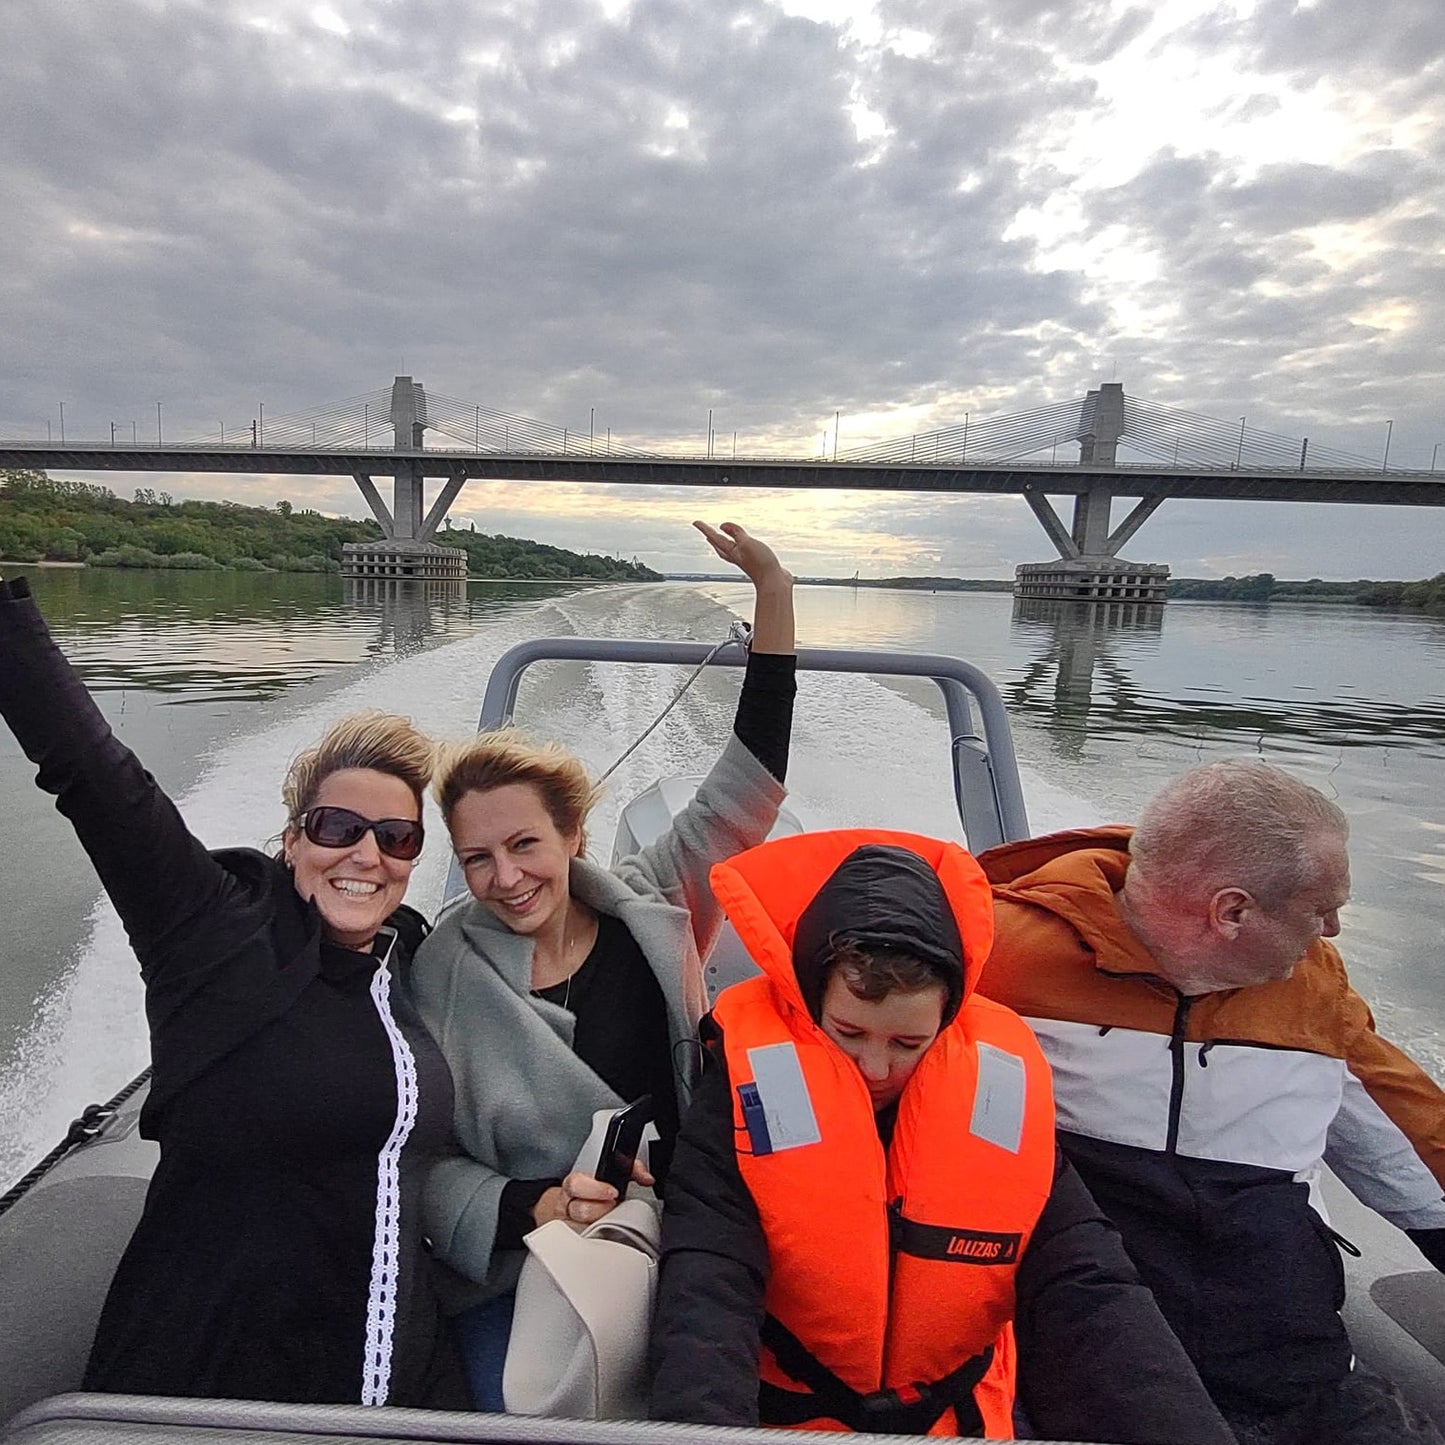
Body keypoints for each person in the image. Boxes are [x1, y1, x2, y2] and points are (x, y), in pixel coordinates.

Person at [0, 569, 465, 1408]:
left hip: (409, 1378)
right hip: (225, 1376)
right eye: (338, 827)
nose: (367, 853)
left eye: (395, 836)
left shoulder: (406, 964)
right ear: (293, 842)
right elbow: (93, 775)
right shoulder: (213, 937)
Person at [649, 829, 1235, 1445]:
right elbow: (708, 1282)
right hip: (788, 1421)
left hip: (958, 1423)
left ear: (947, 1020)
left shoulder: (998, 1093)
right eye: (849, 1033)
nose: (875, 1068)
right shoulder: (744, 1091)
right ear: (811, 1001)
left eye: (907, 1043)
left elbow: (1088, 1282)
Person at [408, 520, 796, 1410]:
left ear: (574, 832)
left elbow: (748, 785)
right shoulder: (438, 971)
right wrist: (530, 1205)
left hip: (686, 1227)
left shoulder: (653, 902)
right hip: (526, 1264)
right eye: (476, 858)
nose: (505, 878)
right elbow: (418, 1162)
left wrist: (772, 595)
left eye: (524, 844)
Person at [978, 760, 1445, 1445]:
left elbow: (1415, 1150)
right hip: (1082, 1365)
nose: (1334, 930)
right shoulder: (997, 959)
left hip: (1292, 1370)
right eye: (1320, 909)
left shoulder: (1309, 989)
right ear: (1230, 910)